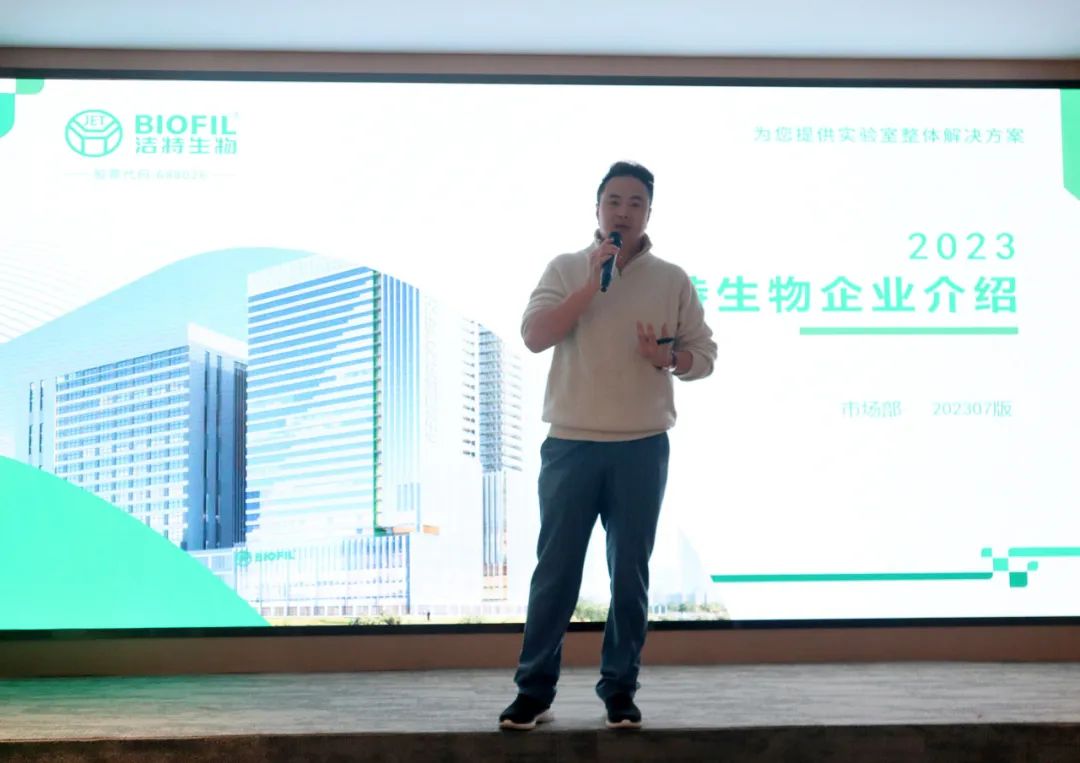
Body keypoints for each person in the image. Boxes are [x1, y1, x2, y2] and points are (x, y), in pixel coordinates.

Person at [499, 161, 717, 731]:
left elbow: (704, 356)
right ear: (597, 209)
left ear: (649, 213)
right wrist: (589, 286)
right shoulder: (567, 267)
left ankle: (620, 690)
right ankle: (533, 692)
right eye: (614, 201)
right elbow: (535, 336)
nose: (624, 212)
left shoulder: (672, 279)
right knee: (556, 573)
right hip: (571, 444)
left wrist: (667, 358)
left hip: (641, 446)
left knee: (630, 575)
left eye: (635, 203)